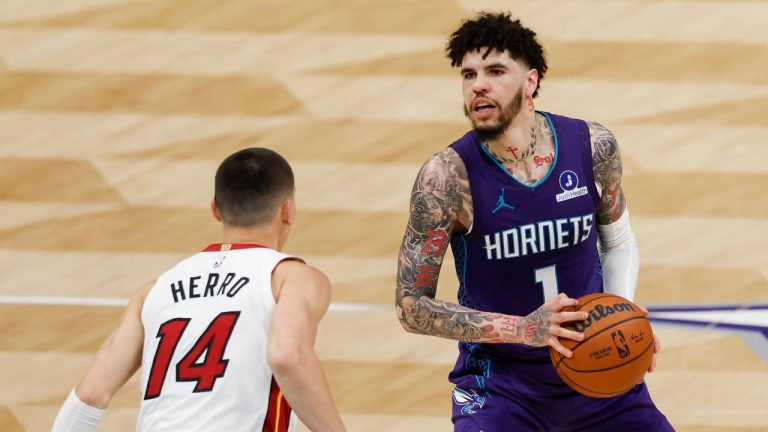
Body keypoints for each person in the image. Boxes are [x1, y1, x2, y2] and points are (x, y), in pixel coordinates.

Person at [395, 12, 673, 431]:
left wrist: (622, 316)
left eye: (495, 71)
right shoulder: (446, 179)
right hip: (501, 387)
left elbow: (617, 241)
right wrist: (523, 329)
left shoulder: (592, 146)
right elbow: (410, 306)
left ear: (531, 81)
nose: (479, 85)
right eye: (468, 74)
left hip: (597, 366)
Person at [51, 148, 346, 432]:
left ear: (215, 209)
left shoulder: (155, 290)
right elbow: (287, 354)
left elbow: (90, 394)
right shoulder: (290, 277)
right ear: (288, 210)